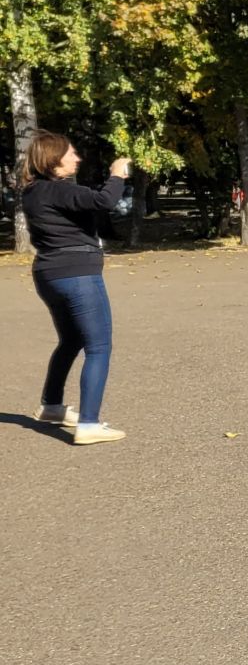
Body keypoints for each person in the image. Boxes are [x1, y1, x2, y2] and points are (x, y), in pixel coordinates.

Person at [18, 131, 130, 444]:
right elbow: (105, 200)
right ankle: (89, 424)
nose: (77, 158)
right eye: (71, 154)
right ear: (54, 162)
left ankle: (51, 407)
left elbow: (87, 205)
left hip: (48, 275)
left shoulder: (34, 192)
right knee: (99, 346)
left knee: (70, 341)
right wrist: (117, 173)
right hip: (77, 276)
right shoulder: (58, 191)